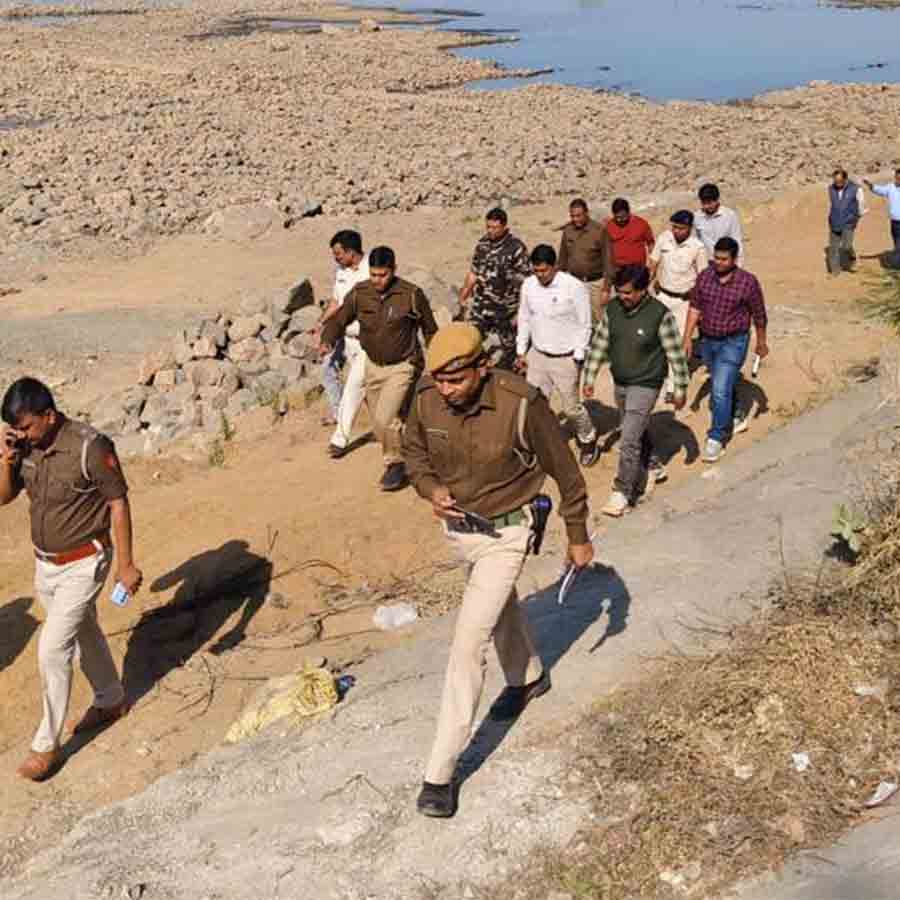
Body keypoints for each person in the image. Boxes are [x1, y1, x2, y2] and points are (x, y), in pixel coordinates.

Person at [404, 323, 593, 819]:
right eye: (440, 381)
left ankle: (440, 774)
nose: (446, 390)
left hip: (509, 533)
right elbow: (414, 452)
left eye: (456, 381)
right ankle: (529, 676)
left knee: (468, 642)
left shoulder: (521, 403)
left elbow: (567, 473)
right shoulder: (427, 397)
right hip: (461, 529)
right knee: (497, 605)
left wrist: (577, 535)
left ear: (481, 369)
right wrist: (430, 489)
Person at [0, 378, 142, 781]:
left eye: (26, 427)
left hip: (85, 562)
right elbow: (3, 497)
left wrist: (126, 565)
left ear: (49, 415)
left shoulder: (89, 447)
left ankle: (46, 745)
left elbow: (118, 502)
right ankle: (111, 699)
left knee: (51, 648)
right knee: (84, 630)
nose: (20, 434)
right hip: (46, 565)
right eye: (14, 429)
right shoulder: (24, 446)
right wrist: (7, 459)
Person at [320, 246, 438, 492]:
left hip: (403, 365)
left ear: (393, 270)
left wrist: (437, 361)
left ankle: (396, 464)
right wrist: (327, 338)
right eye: (373, 275)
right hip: (372, 365)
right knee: (384, 421)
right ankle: (419, 450)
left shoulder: (411, 295)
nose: (377, 281)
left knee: (385, 420)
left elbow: (429, 329)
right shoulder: (361, 293)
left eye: (382, 275)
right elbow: (340, 318)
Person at [582, 266, 690, 517]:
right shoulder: (613, 310)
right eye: (620, 292)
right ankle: (652, 462)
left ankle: (623, 492)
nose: (624, 297)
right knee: (634, 428)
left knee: (628, 438)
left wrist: (681, 388)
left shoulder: (659, 315)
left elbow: (675, 354)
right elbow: (600, 343)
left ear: (643, 290)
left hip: (647, 382)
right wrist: (589, 377)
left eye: (629, 293)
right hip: (621, 382)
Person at [684, 237, 769, 464]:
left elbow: (759, 315)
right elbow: (694, 307)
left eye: (724, 259)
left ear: (734, 259)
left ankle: (716, 437)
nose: (719, 263)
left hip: (734, 341)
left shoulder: (747, 283)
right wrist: (687, 339)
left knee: (719, 389)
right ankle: (736, 408)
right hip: (708, 342)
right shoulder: (705, 278)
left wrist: (761, 342)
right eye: (716, 258)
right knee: (719, 381)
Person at [515, 245, 599, 466]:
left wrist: (578, 354)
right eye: (536, 271)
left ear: (554, 267)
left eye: (544, 271)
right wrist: (521, 350)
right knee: (534, 403)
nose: (540, 275)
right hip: (538, 355)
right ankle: (538, 443)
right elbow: (524, 317)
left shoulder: (574, 287)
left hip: (566, 357)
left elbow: (585, 323)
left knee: (571, 408)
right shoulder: (528, 286)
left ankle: (588, 438)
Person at [459, 208, 531, 371]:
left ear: (505, 227)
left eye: (494, 228)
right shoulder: (482, 244)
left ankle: (511, 377)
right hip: (482, 305)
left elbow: (527, 279)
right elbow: (474, 272)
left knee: (509, 347)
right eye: (488, 227)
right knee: (472, 339)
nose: (490, 231)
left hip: (505, 309)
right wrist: (464, 293)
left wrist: (508, 276)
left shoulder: (516, 248)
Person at [319, 231, 370, 458]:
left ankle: (339, 438)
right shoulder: (340, 272)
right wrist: (322, 324)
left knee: (353, 386)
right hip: (348, 341)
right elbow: (336, 302)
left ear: (351, 252)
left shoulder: (372, 270)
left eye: (338, 254)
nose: (335, 258)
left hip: (370, 341)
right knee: (369, 390)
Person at [649, 210, 708, 399]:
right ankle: (657, 375)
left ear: (689, 228)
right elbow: (653, 263)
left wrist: (701, 306)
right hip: (662, 296)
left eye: (681, 228)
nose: (676, 231)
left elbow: (703, 278)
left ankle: (674, 385)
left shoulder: (697, 248)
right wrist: (644, 287)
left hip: (684, 302)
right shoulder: (664, 239)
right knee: (657, 338)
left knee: (680, 342)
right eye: (674, 226)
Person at [557, 198, 610, 316]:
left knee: (598, 318)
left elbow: (608, 261)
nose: (575, 219)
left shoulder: (599, 231)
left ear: (587, 213)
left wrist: (606, 289)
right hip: (574, 282)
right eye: (572, 216)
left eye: (579, 216)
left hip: (595, 284)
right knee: (576, 317)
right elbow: (562, 259)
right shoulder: (568, 231)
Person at [695, 183, 744, 266]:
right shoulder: (696, 217)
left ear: (717, 200)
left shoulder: (729, 215)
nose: (706, 206)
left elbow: (736, 240)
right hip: (706, 263)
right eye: (704, 203)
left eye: (709, 203)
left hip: (726, 262)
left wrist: (739, 265)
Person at [827, 169, 866, 276]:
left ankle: (853, 257)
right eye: (835, 181)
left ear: (845, 179)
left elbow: (861, 204)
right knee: (833, 248)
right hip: (834, 221)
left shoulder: (856, 189)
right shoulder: (830, 189)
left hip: (848, 222)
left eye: (839, 181)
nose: (837, 183)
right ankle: (835, 270)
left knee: (846, 246)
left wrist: (856, 216)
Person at [605, 198, 654, 279]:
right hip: (618, 269)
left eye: (623, 217)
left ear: (629, 212)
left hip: (638, 269)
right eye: (617, 217)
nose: (620, 220)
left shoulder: (641, 224)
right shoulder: (609, 225)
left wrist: (652, 263)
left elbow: (650, 243)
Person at [863, 168, 900, 264]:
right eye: (897, 177)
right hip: (895, 222)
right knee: (897, 242)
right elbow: (878, 190)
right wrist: (869, 184)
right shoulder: (890, 187)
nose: (898, 180)